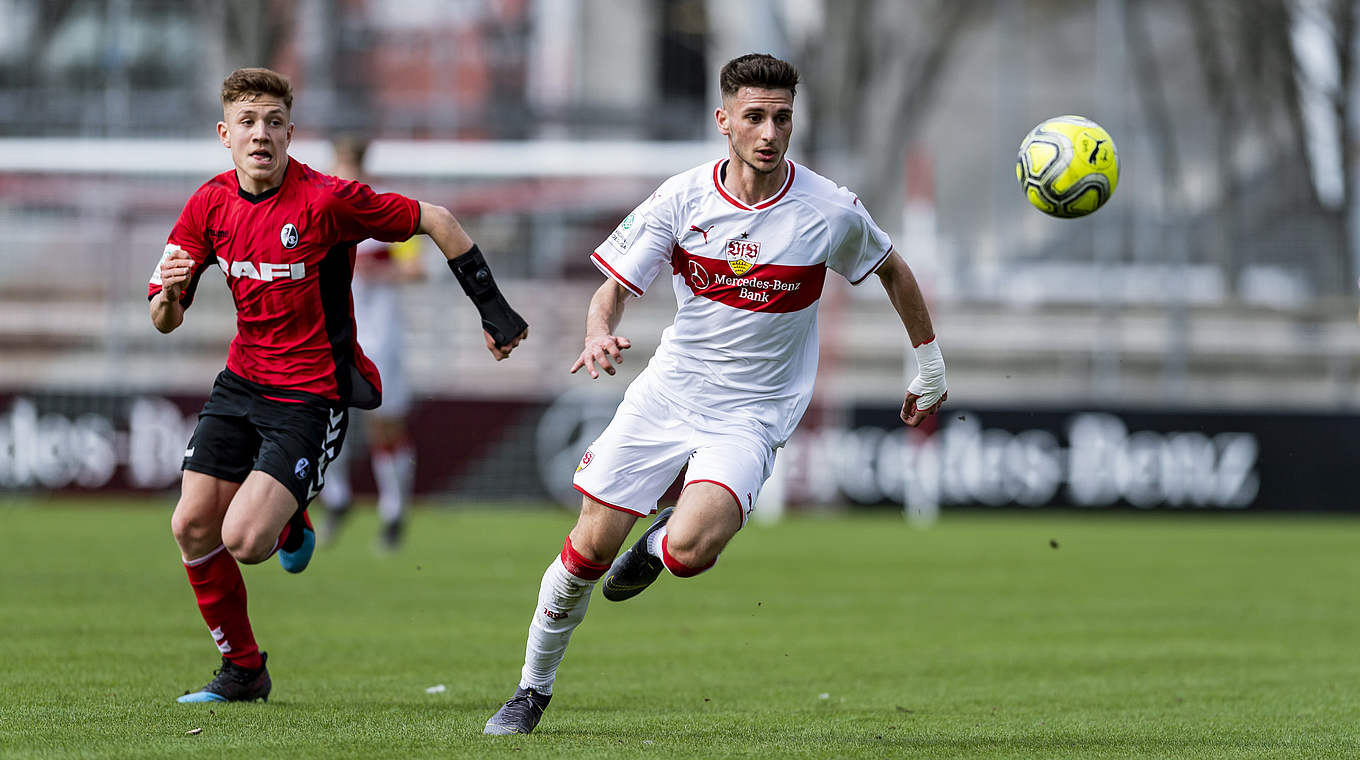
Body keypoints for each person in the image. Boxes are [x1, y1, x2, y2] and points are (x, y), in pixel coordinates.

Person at [483, 53, 947, 735]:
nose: (769, 132)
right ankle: (530, 691)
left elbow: (895, 271)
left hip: (752, 415)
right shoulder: (681, 199)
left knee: (692, 553)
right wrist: (598, 331)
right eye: (754, 117)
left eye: (781, 118)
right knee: (586, 552)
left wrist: (929, 365)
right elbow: (614, 285)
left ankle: (655, 550)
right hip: (668, 396)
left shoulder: (829, 209)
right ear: (723, 121)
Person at [149, 67, 528, 704]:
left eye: (273, 123)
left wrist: (494, 311)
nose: (261, 135)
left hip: (311, 392)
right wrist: (169, 288)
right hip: (241, 381)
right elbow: (163, 318)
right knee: (190, 525)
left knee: (243, 541)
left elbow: (436, 218)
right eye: (247, 123)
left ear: (291, 133)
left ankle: (292, 515)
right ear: (225, 134)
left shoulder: (328, 199)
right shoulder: (207, 205)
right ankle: (244, 672)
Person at [318, 137, 424, 552]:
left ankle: (394, 512)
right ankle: (337, 500)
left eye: (346, 166)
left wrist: (374, 271)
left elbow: (415, 268)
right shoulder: (324, 213)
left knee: (384, 424)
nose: (340, 175)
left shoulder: (386, 212)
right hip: (335, 335)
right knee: (327, 420)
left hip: (380, 335)